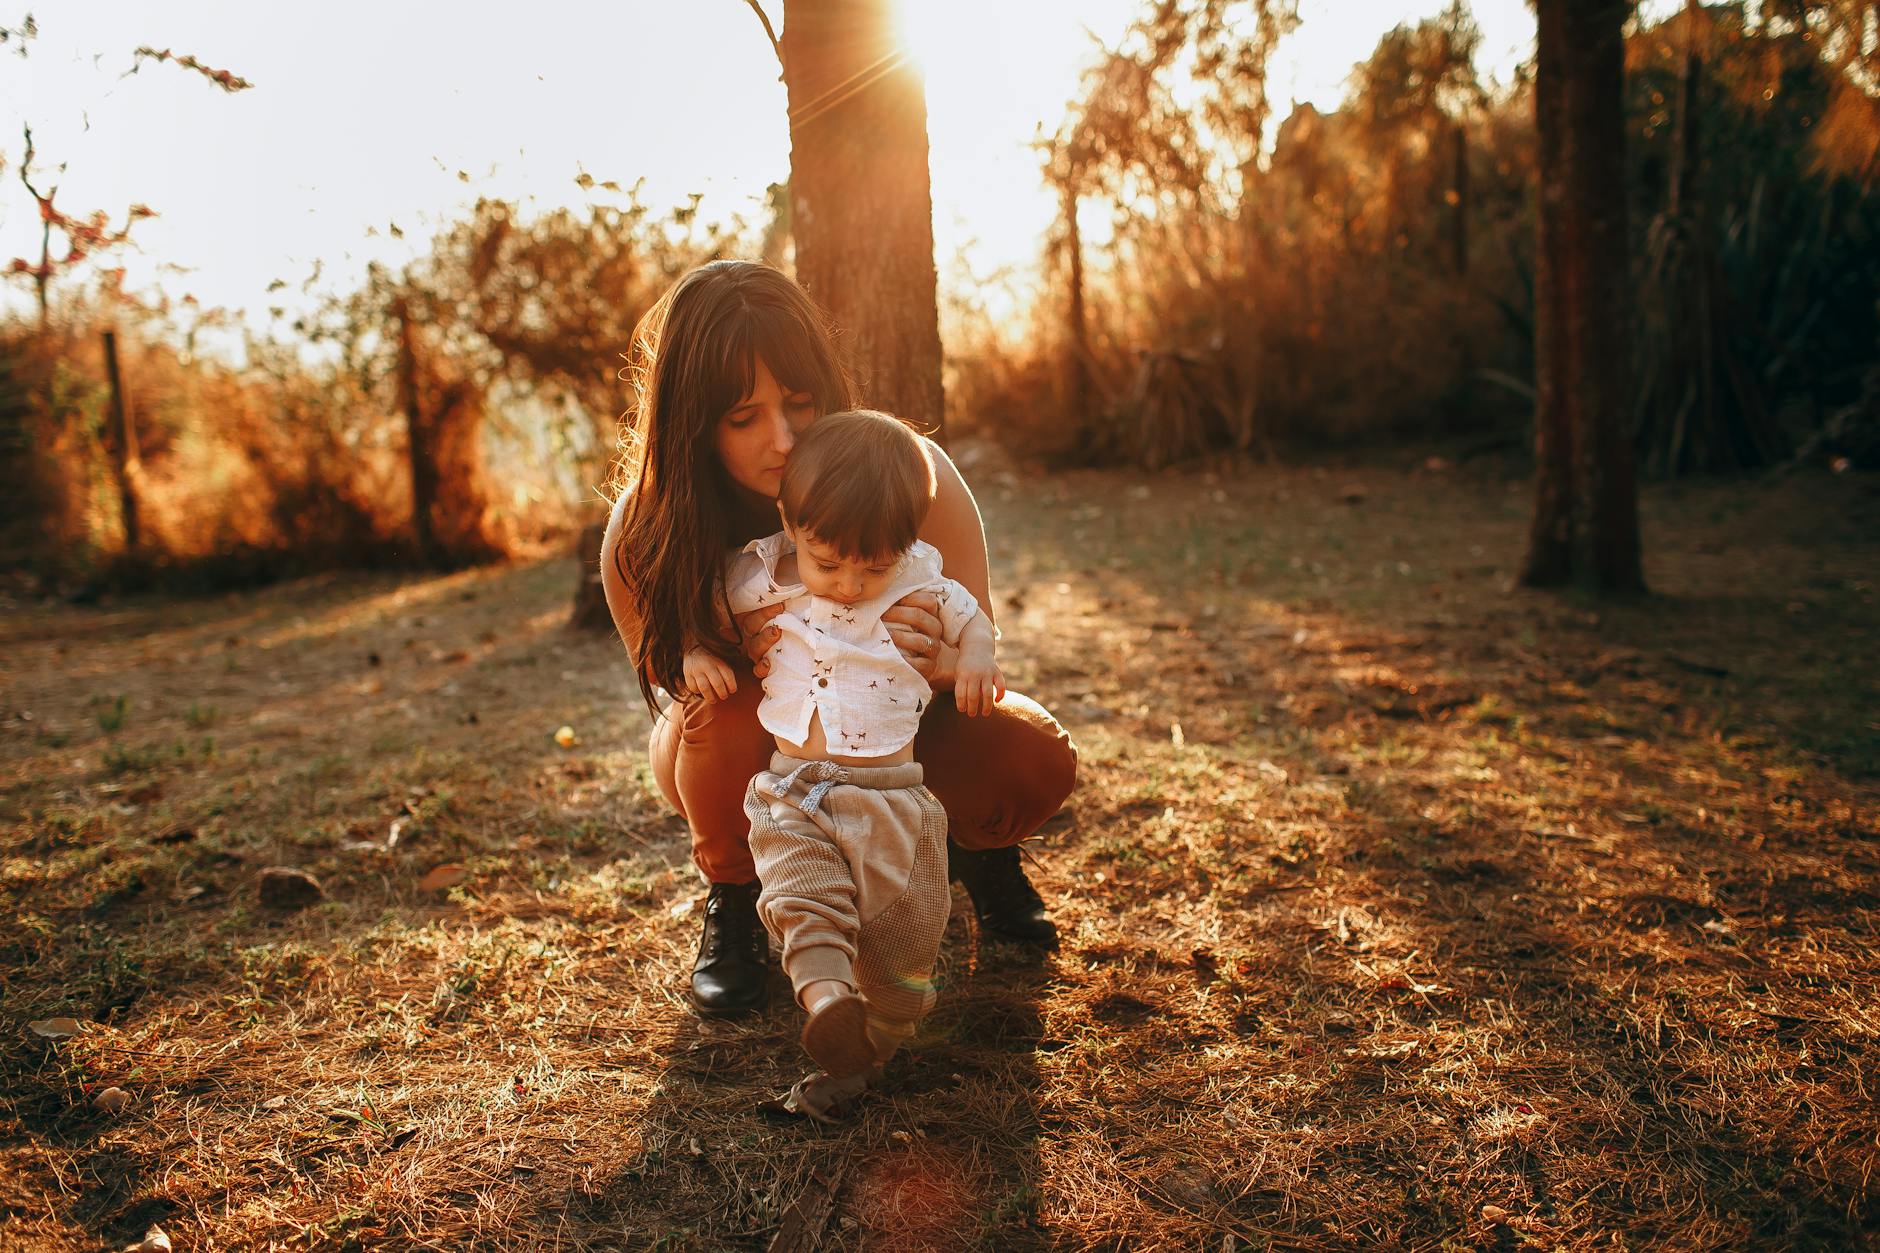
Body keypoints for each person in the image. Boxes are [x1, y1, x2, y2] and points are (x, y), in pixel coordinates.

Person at [599, 259, 1077, 1019]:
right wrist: (719, 653)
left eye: (798, 402)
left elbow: (976, 633)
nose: (783, 440)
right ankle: (733, 896)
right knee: (716, 706)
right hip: (741, 747)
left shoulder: (912, 475)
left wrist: (949, 661)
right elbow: (664, 673)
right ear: (693, 419)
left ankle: (980, 856)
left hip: (899, 725)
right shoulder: (645, 527)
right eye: (742, 416)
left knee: (1025, 753)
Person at [686, 409, 1001, 1118]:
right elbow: (700, 603)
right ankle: (825, 995)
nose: (852, 583)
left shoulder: (919, 575)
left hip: (893, 795)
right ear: (791, 524)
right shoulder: (759, 571)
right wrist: (695, 650)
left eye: (874, 566)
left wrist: (975, 656)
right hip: (793, 788)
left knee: (902, 948)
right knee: (803, 897)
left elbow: (972, 616)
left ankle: (864, 1050)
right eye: (829, 563)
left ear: (906, 543)